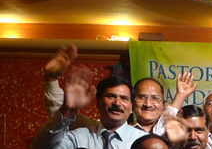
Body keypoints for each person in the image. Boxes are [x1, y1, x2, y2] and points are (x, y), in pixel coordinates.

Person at [32, 64, 147, 149]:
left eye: (124, 98)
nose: (117, 103)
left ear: (131, 107)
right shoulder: (79, 138)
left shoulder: (143, 141)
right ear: (98, 102)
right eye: (111, 96)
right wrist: (67, 110)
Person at [41, 45, 194, 133]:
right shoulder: (103, 129)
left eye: (155, 98)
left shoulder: (172, 134)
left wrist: (180, 95)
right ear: (132, 105)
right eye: (142, 97)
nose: (148, 104)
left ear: (162, 105)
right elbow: (61, 116)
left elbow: (166, 122)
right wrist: (51, 80)